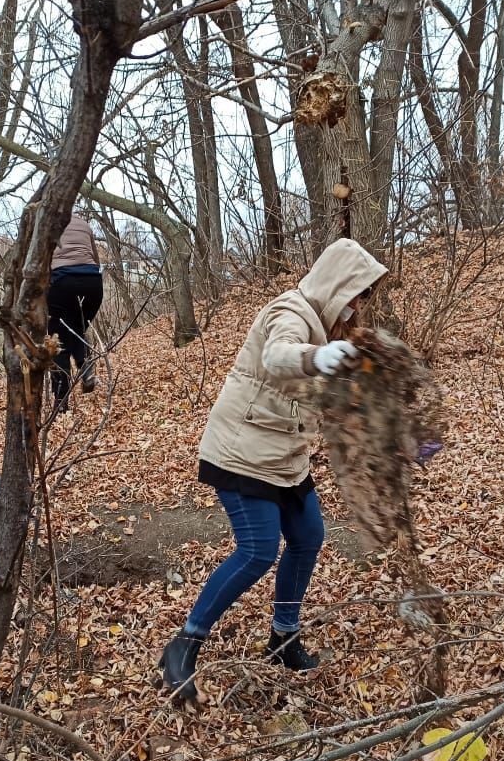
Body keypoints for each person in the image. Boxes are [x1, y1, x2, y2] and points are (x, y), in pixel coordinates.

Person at [159, 238, 387, 701]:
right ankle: (183, 644)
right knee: (258, 550)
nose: (359, 304)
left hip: (284, 455)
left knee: (308, 536)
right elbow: (278, 357)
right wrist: (316, 359)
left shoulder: (326, 330)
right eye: (357, 292)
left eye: (364, 295)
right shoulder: (290, 312)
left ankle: (283, 638)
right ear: (337, 284)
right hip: (241, 453)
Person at [48, 214, 104, 415]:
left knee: (58, 343)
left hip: (62, 282)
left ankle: (61, 404)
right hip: (92, 284)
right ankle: (85, 367)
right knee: (77, 329)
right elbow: (95, 259)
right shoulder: (84, 223)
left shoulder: (47, 220)